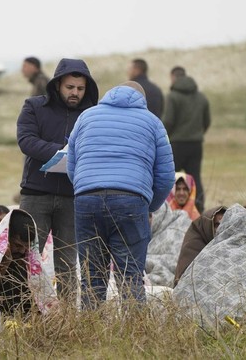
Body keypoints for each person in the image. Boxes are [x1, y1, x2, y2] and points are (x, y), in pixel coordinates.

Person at [67, 81, 175, 308]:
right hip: (131, 201)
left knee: (91, 276)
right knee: (130, 275)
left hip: (87, 199)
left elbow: (72, 164)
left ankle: (89, 334)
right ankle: (135, 334)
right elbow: (165, 176)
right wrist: (149, 206)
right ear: (142, 99)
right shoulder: (153, 122)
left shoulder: (87, 117)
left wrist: (86, 189)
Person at [17, 58, 99, 300]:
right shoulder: (33, 106)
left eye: (80, 88)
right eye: (70, 87)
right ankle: (21, 312)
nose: (75, 93)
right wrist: (62, 152)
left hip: (73, 197)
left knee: (67, 264)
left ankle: (67, 320)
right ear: (58, 84)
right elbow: (26, 140)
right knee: (26, 258)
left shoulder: (92, 114)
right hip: (36, 194)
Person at [174, 203, 246, 286]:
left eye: (224, 224)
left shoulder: (230, 247)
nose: (221, 229)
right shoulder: (194, 245)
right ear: (208, 226)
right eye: (217, 225)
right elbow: (186, 281)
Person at [163, 66, 210, 213]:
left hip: (177, 144)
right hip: (196, 144)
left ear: (173, 77)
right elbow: (207, 121)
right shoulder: (201, 97)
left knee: (170, 178)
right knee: (195, 177)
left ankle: (168, 208)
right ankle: (198, 208)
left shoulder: (172, 96)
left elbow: (169, 120)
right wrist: (197, 133)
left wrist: (165, 137)